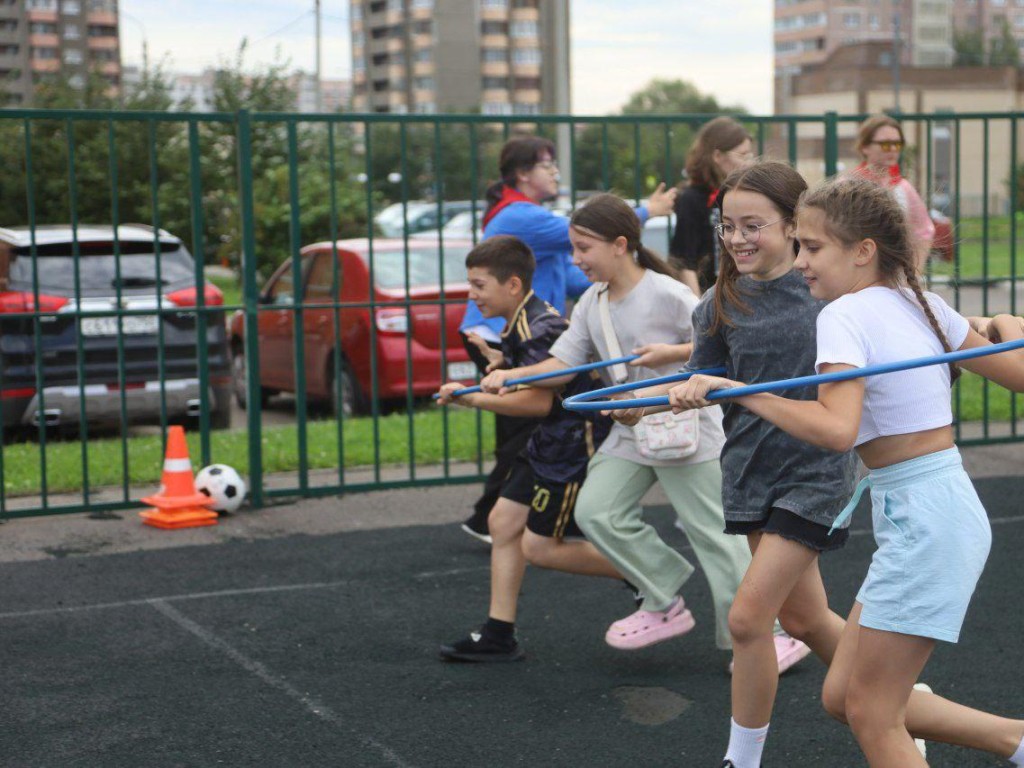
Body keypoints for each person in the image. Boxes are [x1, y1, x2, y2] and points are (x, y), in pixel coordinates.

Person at [673, 174, 1024, 767]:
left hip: (925, 521)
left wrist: (741, 391)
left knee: (872, 712)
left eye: (812, 248)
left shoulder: (843, 316)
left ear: (862, 251)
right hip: (937, 509)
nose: (802, 260)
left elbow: (836, 430)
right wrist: (1009, 325)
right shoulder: (923, 303)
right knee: (841, 696)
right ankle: (1014, 740)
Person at [479, 194, 796, 667]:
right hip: (632, 430)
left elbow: (719, 344)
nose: (576, 259)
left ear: (620, 244)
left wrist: (669, 355)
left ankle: (766, 639)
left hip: (686, 429)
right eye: (574, 248)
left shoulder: (666, 293)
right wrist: (512, 376)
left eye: (584, 248)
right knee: (596, 511)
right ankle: (662, 596)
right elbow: (563, 365)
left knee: (716, 534)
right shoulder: (593, 301)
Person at [459, 134, 677, 544]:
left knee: (532, 424)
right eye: (548, 165)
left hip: (532, 334)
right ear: (523, 174)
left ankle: (507, 515)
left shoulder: (537, 224)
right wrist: (649, 209)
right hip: (499, 334)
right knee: (529, 423)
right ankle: (503, 514)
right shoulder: (522, 217)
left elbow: (578, 272)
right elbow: (589, 232)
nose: (555, 172)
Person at [438, 235, 620, 662]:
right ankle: (499, 634)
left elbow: (536, 402)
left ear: (513, 285)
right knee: (503, 523)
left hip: (572, 443)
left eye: (479, 285)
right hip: (547, 440)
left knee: (543, 546)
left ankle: (643, 571)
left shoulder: (539, 325)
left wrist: (469, 398)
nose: (472, 294)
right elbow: (531, 379)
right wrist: (502, 361)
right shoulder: (523, 323)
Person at [670, 117, 754, 297]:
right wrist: (698, 305)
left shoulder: (744, 195)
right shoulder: (692, 198)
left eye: (750, 155)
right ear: (717, 156)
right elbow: (686, 262)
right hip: (709, 295)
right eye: (742, 155)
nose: (749, 162)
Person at [851, 114, 934, 271]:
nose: (893, 150)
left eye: (897, 144)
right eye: (885, 144)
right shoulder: (848, 186)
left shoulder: (903, 188)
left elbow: (924, 231)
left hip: (894, 277)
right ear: (865, 146)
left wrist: (915, 271)